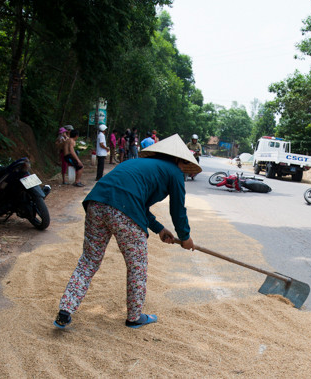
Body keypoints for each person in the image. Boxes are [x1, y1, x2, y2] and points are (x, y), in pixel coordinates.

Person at [53, 134, 202, 330]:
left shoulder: (139, 164)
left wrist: (159, 229)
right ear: (179, 160)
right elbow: (177, 210)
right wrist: (185, 237)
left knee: (89, 260)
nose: (183, 169)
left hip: (96, 203)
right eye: (184, 165)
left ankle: (66, 309)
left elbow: (136, 203)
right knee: (137, 265)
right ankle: (134, 316)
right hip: (122, 210)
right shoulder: (174, 172)